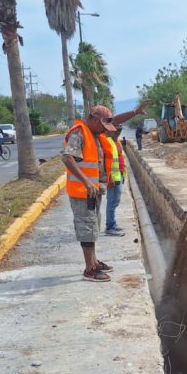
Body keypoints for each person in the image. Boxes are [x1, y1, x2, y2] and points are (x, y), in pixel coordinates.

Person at [62, 106, 117, 282]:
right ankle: (90, 269)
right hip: (82, 192)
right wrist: (86, 181)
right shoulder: (79, 133)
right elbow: (67, 158)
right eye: (102, 125)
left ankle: (94, 261)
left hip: (93, 192)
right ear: (93, 118)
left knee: (93, 227)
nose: (103, 129)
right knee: (87, 228)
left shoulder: (94, 134)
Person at [101, 127, 127, 236]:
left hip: (119, 176)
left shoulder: (117, 142)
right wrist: (109, 177)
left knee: (115, 201)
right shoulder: (108, 141)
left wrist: (123, 174)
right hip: (113, 177)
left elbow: (121, 159)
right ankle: (110, 226)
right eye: (116, 131)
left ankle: (112, 223)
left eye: (119, 131)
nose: (118, 133)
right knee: (111, 202)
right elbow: (106, 161)